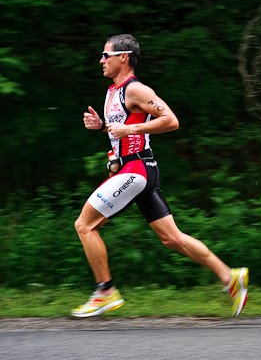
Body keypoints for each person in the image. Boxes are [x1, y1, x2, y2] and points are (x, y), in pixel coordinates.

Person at [73, 34, 248, 318]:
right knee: (172, 239)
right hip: (135, 170)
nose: (101, 60)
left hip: (138, 170)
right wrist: (103, 127)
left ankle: (105, 291)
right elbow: (123, 129)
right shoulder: (112, 92)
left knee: (84, 225)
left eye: (106, 55)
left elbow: (171, 121)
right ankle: (230, 277)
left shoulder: (136, 90)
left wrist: (127, 132)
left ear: (123, 57)